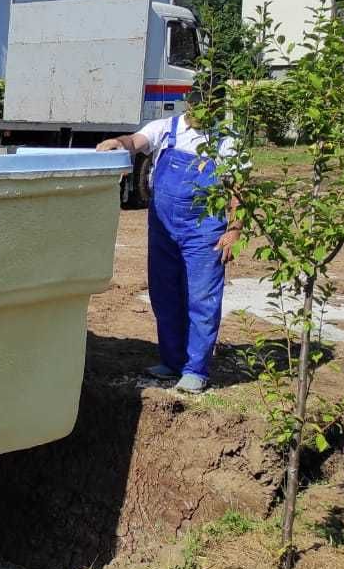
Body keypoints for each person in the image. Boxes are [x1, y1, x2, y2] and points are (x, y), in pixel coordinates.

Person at [97, 104, 239, 393]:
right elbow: (136, 142)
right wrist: (118, 143)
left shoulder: (226, 141)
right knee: (164, 294)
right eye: (200, 105)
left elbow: (239, 190)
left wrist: (235, 229)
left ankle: (195, 369)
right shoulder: (166, 129)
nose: (203, 113)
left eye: (211, 107)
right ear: (191, 102)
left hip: (204, 231)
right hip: (163, 228)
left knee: (201, 298)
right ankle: (172, 361)